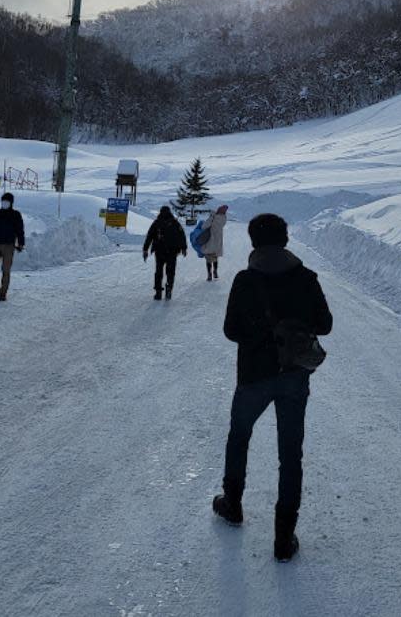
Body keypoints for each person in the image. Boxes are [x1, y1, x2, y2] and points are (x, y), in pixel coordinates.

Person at [213, 213, 332, 562]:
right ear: (285, 239)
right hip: (294, 376)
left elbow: (231, 330)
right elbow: (324, 325)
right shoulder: (305, 278)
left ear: (253, 242)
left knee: (239, 436)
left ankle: (232, 504)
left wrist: (260, 335)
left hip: (253, 376)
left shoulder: (245, 281)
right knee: (290, 454)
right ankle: (283, 537)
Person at [0, 191, 25, 301]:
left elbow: (20, 230)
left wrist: (21, 243)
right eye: (3, 201)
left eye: (6, 201)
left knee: (6, 270)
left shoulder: (16, 215)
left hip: (9, 246)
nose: (4, 203)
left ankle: (3, 293)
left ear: (11, 203)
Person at [143, 205, 187, 300]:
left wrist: (145, 249)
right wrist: (184, 248)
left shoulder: (157, 223)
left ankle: (158, 292)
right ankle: (169, 288)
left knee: (159, 272)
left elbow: (149, 236)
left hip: (159, 252)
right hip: (172, 252)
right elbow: (181, 236)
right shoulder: (175, 223)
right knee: (170, 272)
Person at [202, 204, 228, 281]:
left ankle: (209, 274)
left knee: (208, 258)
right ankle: (215, 271)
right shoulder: (224, 219)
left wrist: (212, 216)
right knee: (215, 257)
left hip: (210, 240)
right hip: (218, 241)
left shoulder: (213, 218)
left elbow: (204, 226)